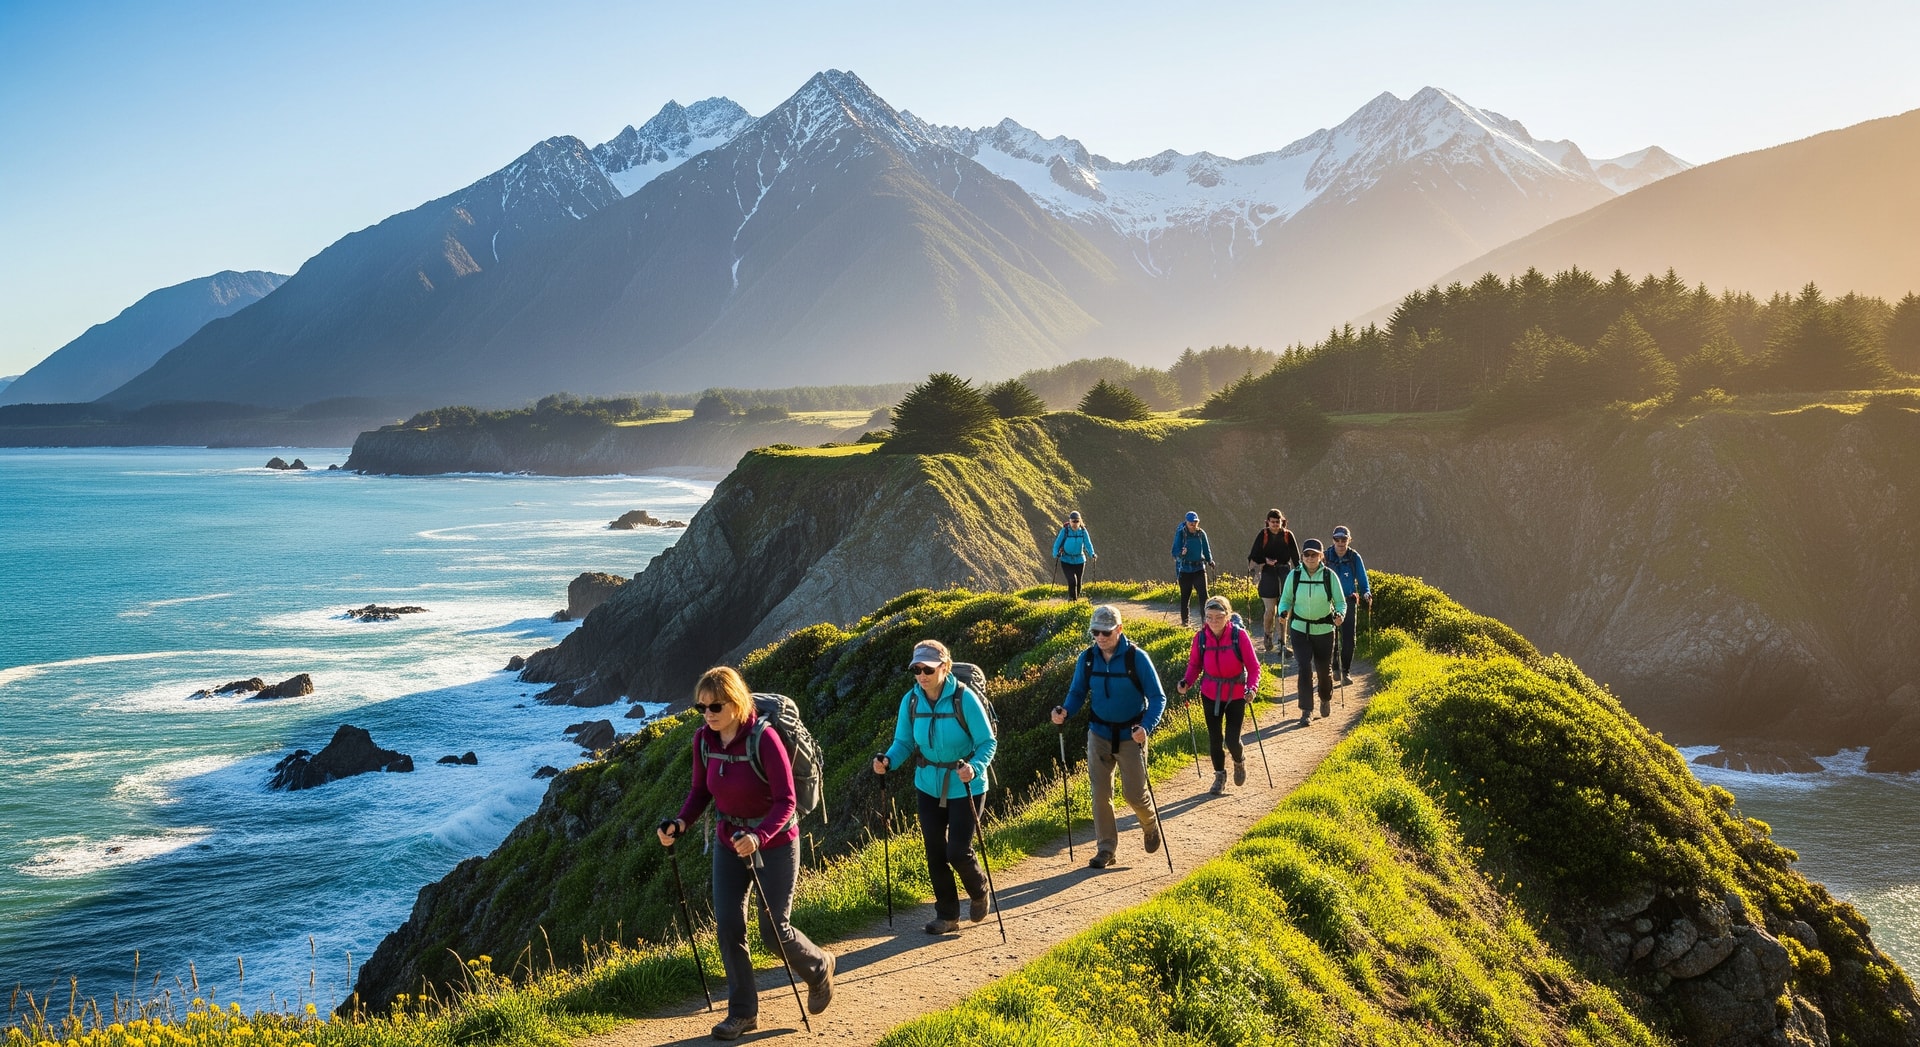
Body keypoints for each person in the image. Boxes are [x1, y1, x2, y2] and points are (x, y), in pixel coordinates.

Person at [658, 666, 834, 1041]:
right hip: (727, 841)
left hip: (776, 842)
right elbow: (699, 792)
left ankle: (819, 966)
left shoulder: (764, 738)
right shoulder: (703, 741)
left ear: (735, 703)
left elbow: (787, 801)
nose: (707, 714)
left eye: (715, 706)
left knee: (774, 931)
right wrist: (681, 824)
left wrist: (759, 836)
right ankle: (742, 1014)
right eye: (700, 707)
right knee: (729, 927)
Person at [872, 639, 998, 935]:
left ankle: (979, 890)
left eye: (927, 668)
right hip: (927, 784)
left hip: (966, 784)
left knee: (957, 850)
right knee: (934, 850)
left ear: (945, 667)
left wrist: (974, 767)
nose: (921, 674)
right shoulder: (911, 700)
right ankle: (947, 915)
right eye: (916, 669)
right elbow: (904, 742)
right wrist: (888, 760)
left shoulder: (964, 698)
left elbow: (987, 742)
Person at [1051, 604, 1166, 868]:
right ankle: (1106, 849)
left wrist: (1145, 727)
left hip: (1131, 735)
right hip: (1098, 734)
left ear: (1119, 629)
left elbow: (1158, 698)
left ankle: (1149, 825)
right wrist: (1065, 711)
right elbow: (1078, 692)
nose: (1100, 638)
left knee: (1134, 795)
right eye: (1095, 632)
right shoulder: (1088, 658)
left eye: (1106, 632)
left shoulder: (1137, 658)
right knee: (1100, 794)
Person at [1176, 595, 1261, 794]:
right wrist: (1186, 682)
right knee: (1214, 738)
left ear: (1228, 616)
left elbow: (1254, 667)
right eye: (1209, 617)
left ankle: (1239, 761)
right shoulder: (1201, 638)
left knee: (1232, 739)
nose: (1213, 621)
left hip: (1237, 694)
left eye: (1218, 616)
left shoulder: (1238, 636)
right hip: (1210, 693)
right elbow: (1195, 665)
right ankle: (1219, 777)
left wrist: (1252, 688)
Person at [1278, 539, 1346, 727]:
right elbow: (1285, 600)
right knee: (1304, 668)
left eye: (1314, 554)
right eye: (1307, 554)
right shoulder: (1295, 575)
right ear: (1302, 556)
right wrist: (1282, 612)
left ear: (1321, 556)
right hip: (1299, 629)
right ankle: (1306, 710)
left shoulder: (1329, 576)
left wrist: (1340, 615)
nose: (1310, 558)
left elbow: (1340, 602)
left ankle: (1325, 697)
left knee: (1324, 670)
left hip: (1324, 630)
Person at [1245, 509, 1299, 654]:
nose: (1275, 524)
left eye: (1277, 522)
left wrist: (1300, 574)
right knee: (1270, 610)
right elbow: (1254, 555)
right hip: (1269, 573)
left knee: (1284, 610)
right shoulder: (1263, 535)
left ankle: (1282, 642)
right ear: (1268, 522)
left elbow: (1296, 557)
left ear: (1282, 522)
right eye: (1272, 522)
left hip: (1285, 573)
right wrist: (1265, 561)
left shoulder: (1288, 535)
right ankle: (1268, 636)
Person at [1326, 525, 1372, 685]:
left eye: (1343, 539)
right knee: (1330, 636)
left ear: (1348, 540)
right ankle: (1334, 667)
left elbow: (1362, 576)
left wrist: (1366, 592)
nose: (1340, 542)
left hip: (1349, 600)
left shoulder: (1354, 557)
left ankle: (1345, 671)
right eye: (1337, 539)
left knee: (1349, 638)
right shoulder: (1325, 556)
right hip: (1328, 602)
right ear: (1333, 540)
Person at [1170, 511, 1215, 627]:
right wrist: (1181, 553)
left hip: (1199, 568)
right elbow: (1174, 551)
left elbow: (1206, 548)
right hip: (1184, 569)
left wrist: (1210, 560)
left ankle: (1206, 624)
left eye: (1195, 522)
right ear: (1186, 522)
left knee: (1204, 596)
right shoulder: (1180, 534)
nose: (1193, 525)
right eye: (1191, 523)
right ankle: (1185, 623)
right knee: (1185, 597)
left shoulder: (1201, 534)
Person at [1051, 511, 1097, 601]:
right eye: (1073, 521)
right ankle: (1073, 602)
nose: (1075, 523)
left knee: (1079, 583)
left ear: (1080, 521)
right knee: (1072, 581)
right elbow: (1057, 543)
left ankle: (1074, 600)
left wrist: (1092, 554)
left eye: (1077, 521)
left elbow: (1088, 544)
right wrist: (1055, 553)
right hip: (1066, 560)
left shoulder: (1083, 531)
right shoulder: (1065, 531)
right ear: (1070, 521)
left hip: (1080, 560)